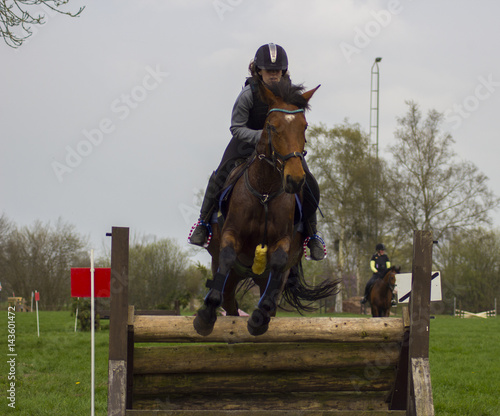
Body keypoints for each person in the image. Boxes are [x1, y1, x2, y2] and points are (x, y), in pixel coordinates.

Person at [188, 43, 325, 260]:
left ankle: (312, 235)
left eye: (277, 71)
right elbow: (236, 127)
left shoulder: (292, 95)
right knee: (220, 174)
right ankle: (203, 223)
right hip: (245, 143)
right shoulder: (248, 94)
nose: (273, 75)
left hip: (282, 150)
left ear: (283, 71)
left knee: (308, 181)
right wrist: (262, 137)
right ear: (258, 70)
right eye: (269, 71)